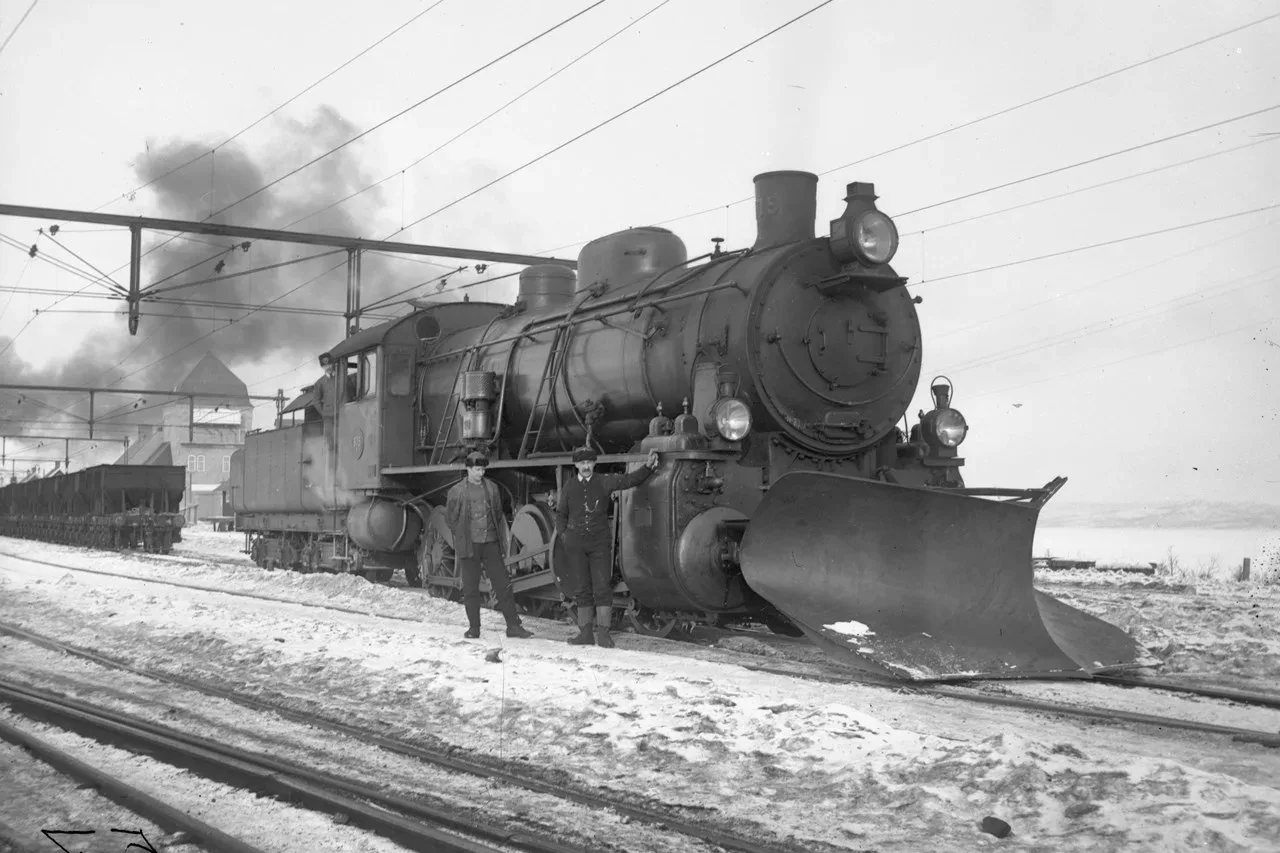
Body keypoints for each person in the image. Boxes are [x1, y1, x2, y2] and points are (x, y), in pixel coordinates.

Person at [554, 446, 660, 648]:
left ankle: (603, 634)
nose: (586, 467)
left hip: (599, 544)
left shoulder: (604, 481)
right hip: (576, 544)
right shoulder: (569, 487)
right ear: (576, 465)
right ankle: (585, 633)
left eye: (589, 463)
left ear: (594, 464)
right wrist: (564, 535)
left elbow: (629, 480)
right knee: (582, 589)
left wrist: (647, 467)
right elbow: (560, 514)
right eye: (582, 463)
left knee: (602, 587)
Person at [444, 451, 533, 640]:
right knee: (470, 589)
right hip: (469, 546)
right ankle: (474, 628)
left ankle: (513, 627)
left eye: (483, 469)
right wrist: (463, 536)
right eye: (477, 470)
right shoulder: (457, 491)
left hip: (490, 543)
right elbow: (451, 519)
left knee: (503, 585)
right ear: (468, 469)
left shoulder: (492, 488)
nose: (481, 473)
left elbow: (498, 513)